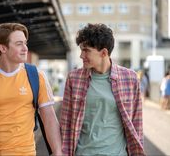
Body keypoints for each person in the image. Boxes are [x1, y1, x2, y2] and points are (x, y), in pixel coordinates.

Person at [0, 23, 62, 156]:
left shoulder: (36, 76)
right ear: (3, 48)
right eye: (19, 44)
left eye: (25, 43)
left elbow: (49, 117)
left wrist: (57, 152)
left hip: (25, 152)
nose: (25, 48)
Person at [60, 23, 145, 156]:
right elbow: (66, 125)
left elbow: (136, 124)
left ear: (104, 52)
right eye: (81, 50)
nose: (81, 55)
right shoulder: (74, 78)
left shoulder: (130, 78)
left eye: (86, 50)